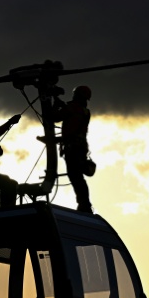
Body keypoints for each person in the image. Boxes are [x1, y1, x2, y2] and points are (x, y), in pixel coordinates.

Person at [54, 85, 94, 213]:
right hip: (81, 147)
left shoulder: (72, 108)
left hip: (73, 147)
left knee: (75, 176)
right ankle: (85, 204)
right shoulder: (85, 111)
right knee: (78, 177)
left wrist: (56, 105)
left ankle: (84, 205)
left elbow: (54, 117)